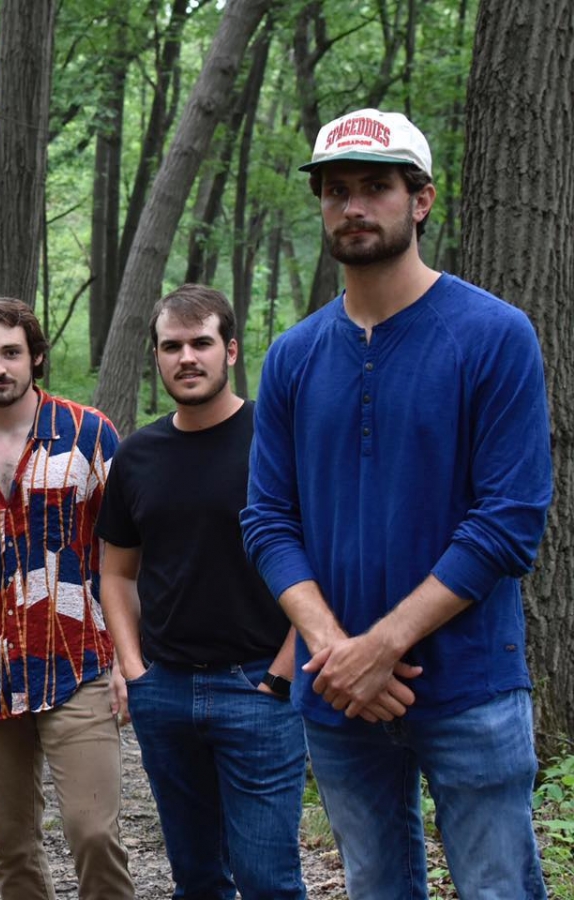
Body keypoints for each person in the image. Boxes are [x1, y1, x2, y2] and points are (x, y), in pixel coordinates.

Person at [241, 108, 552, 900]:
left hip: (472, 685)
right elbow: (268, 519)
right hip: (337, 695)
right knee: (376, 885)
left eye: (375, 187)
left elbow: (510, 521)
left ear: (421, 199)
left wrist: (380, 646)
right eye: (335, 190)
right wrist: (335, 652)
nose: (352, 207)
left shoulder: (495, 335)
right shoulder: (293, 356)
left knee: (498, 889)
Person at [0, 298, 134, 900]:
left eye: (11, 352)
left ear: (35, 357)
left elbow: (126, 550)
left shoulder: (89, 434)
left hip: (79, 660)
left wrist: (128, 656)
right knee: (12, 848)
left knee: (93, 833)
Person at [97, 284, 307, 900]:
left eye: (201, 343)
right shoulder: (137, 455)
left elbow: (320, 563)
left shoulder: (278, 441)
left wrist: (284, 674)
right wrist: (135, 670)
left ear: (230, 350)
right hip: (165, 690)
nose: (186, 357)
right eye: (172, 346)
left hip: (260, 687)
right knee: (196, 879)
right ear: (157, 357)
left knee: (268, 881)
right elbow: (117, 573)